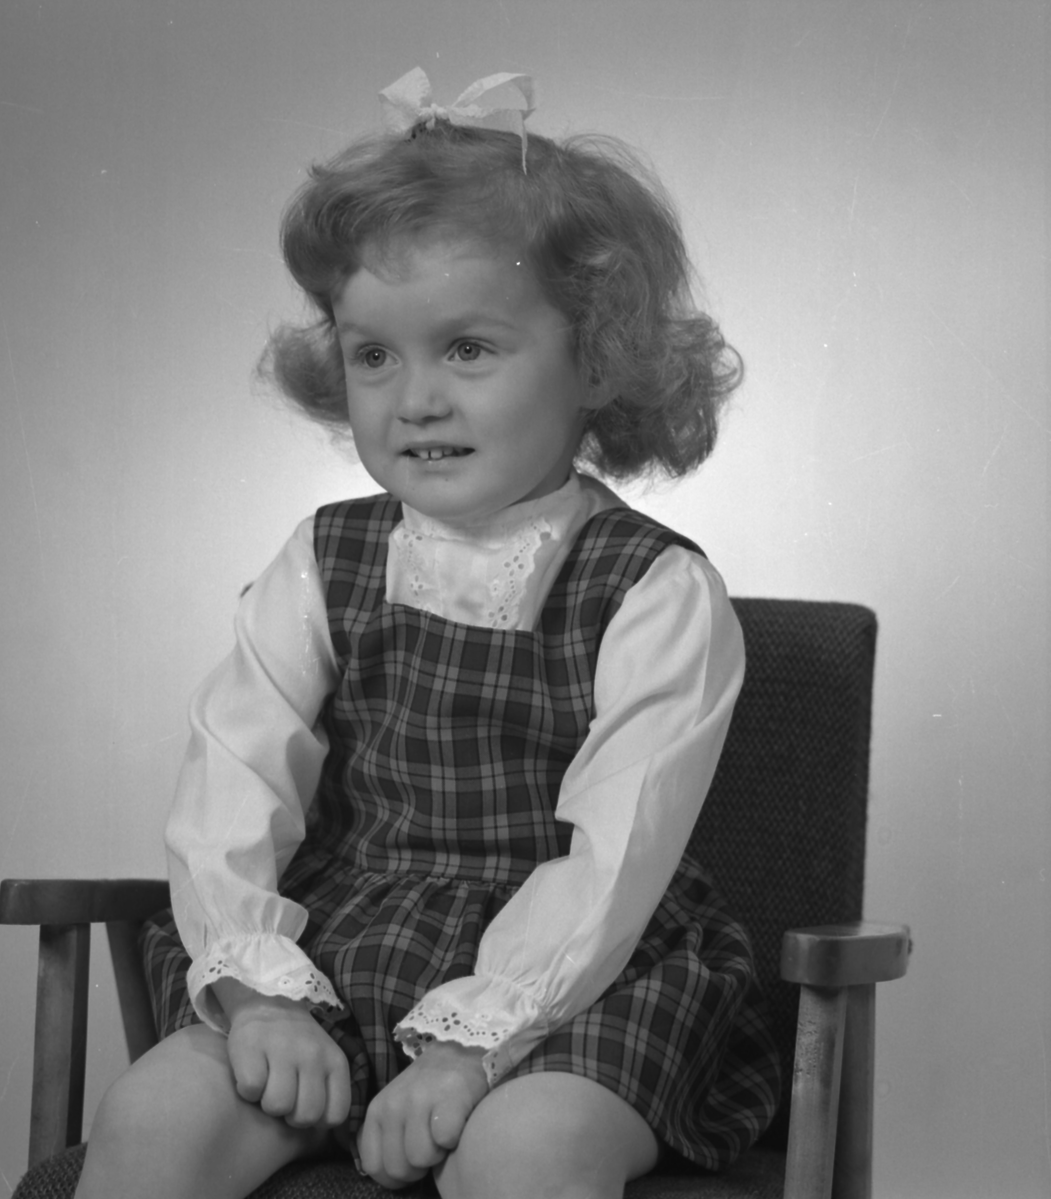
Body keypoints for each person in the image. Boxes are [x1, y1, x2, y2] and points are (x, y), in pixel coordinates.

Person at [75, 70, 781, 1199]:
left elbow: (615, 857)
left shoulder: (655, 590)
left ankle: (516, 1112)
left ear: (596, 357)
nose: (415, 399)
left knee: (527, 1150)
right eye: (375, 355)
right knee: (152, 1117)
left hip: (576, 975)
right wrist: (261, 995)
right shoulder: (324, 558)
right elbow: (233, 776)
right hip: (345, 946)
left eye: (467, 349)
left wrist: (472, 1044)